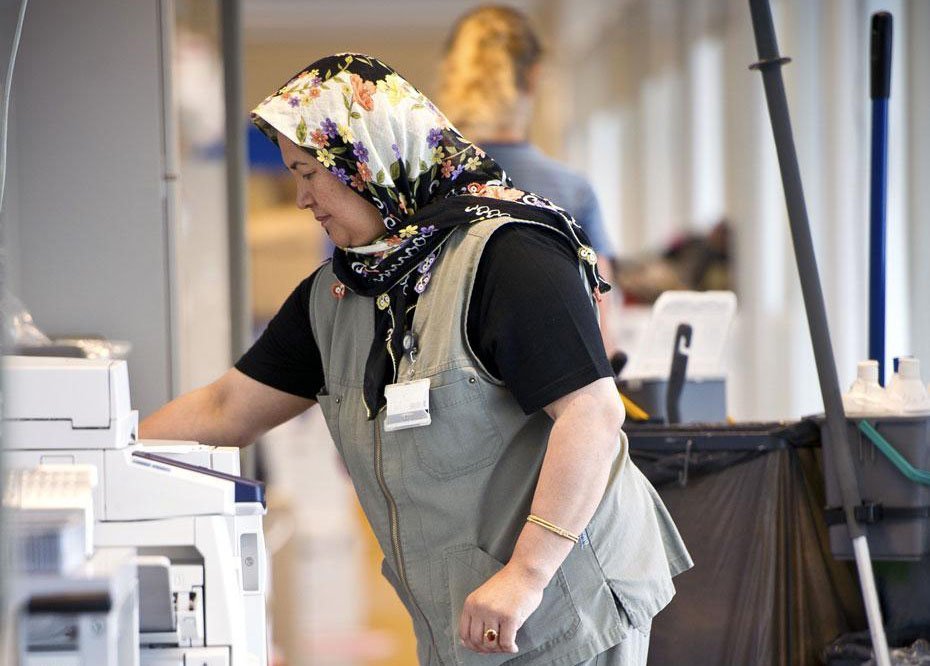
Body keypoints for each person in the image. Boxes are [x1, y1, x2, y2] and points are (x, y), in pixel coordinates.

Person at [141, 53, 691, 665]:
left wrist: (527, 574)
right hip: (461, 620)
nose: (301, 199)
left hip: (561, 599)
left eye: (308, 174)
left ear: (364, 159)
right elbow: (225, 407)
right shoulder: (340, 292)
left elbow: (592, 415)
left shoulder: (510, 254)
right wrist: (106, 455)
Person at [438, 5, 618, 355]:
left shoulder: (408, 190)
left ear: (452, 76)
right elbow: (603, 335)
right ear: (534, 77)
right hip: (554, 400)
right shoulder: (573, 192)